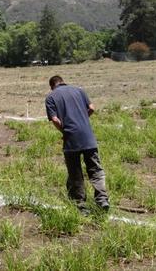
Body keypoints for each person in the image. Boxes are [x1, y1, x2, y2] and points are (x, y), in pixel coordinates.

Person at [45, 75, 109, 213]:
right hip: (88, 137)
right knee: (96, 170)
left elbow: (55, 120)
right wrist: (83, 121)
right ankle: (102, 199)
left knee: (75, 173)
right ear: (63, 82)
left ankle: (80, 205)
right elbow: (92, 108)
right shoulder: (79, 90)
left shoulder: (51, 97)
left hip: (71, 139)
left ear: (52, 86)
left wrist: (65, 130)